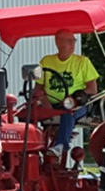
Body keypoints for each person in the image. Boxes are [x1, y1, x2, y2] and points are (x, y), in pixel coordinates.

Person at [33, 28, 99, 160]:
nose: (73, 44)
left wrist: (75, 97)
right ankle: (31, 147)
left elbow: (92, 88)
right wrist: (44, 100)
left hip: (76, 105)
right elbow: (38, 89)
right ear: (57, 43)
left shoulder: (82, 62)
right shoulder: (46, 61)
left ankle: (60, 146)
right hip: (50, 104)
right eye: (69, 40)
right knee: (27, 112)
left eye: (73, 40)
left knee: (68, 110)